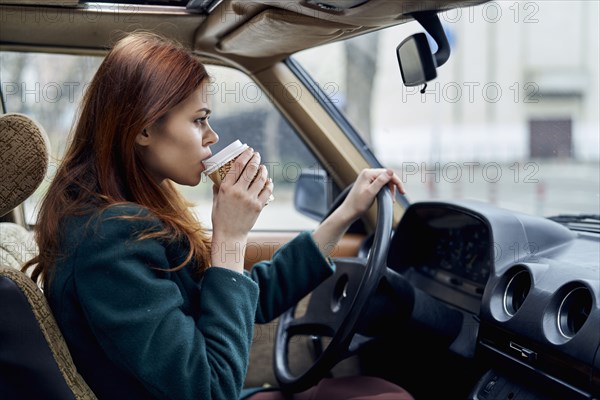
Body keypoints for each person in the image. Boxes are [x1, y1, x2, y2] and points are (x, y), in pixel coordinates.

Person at [22, 32, 412, 400]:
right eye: (199, 119)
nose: (212, 136)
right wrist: (230, 239)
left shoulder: (126, 217)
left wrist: (344, 214)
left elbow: (237, 302)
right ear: (143, 129)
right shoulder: (109, 240)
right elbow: (211, 389)